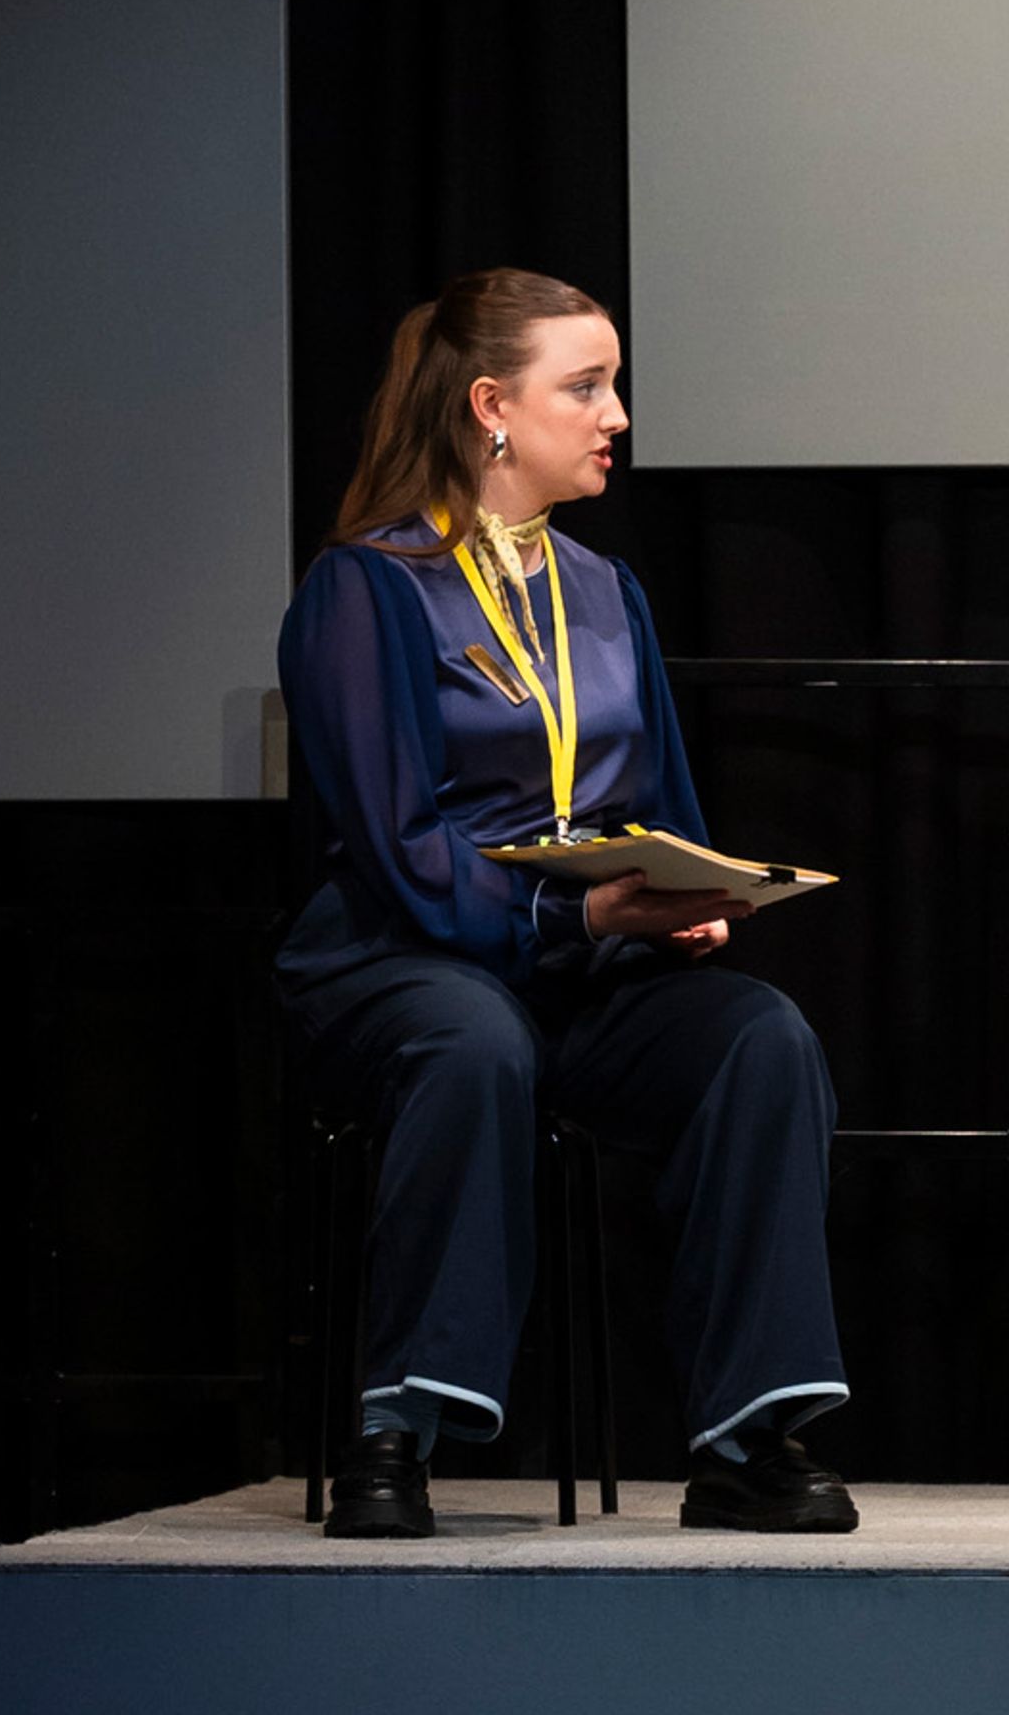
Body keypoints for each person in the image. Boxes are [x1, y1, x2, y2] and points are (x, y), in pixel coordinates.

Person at [276, 271, 853, 1539]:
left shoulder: (603, 588)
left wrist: (696, 897)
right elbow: (397, 845)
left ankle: (749, 1437)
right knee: (471, 1041)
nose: (617, 416)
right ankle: (396, 1427)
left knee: (758, 1039)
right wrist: (573, 922)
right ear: (491, 406)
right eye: (585, 386)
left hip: (580, 971)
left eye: (614, 385)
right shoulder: (368, 587)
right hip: (400, 960)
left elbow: (661, 801)